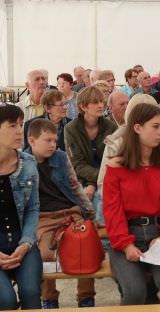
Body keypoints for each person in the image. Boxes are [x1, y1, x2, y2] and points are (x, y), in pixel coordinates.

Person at [103, 103, 160, 305]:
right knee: (134, 291)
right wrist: (126, 245)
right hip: (126, 236)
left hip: (159, 233)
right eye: (155, 126)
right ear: (137, 128)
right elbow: (112, 211)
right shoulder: (116, 168)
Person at [26, 119, 97, 308]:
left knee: (84, 248)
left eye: (54, 140)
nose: (53, 145)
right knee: (45, 254)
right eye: (47, 140)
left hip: (69, 212)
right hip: (43, 217)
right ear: (32, 141)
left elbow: (75, 187)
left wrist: (89, 214)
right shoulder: (24, 162)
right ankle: (49, 298)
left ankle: (86, 297)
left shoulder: (60, 157)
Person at [0, 103, 42, 310]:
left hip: (22, 240)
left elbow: (33, 209)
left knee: (31, 292)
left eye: (21, 124)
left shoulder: (28, 163)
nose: (20, 131)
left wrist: (25, 244)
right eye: (12, 126)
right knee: (5, 300)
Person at [64, 86, 117, 223]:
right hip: (81, 179)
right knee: (87, 197)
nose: (101, 105)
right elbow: (77, 165)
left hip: (107, 178)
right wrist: (93, 183)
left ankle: (101, 236)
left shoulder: (111, 127)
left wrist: (94, 184)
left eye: (101, 101)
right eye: (95, 102)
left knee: (101, 196)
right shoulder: (71, 129)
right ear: (83, 106)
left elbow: (113, 160)